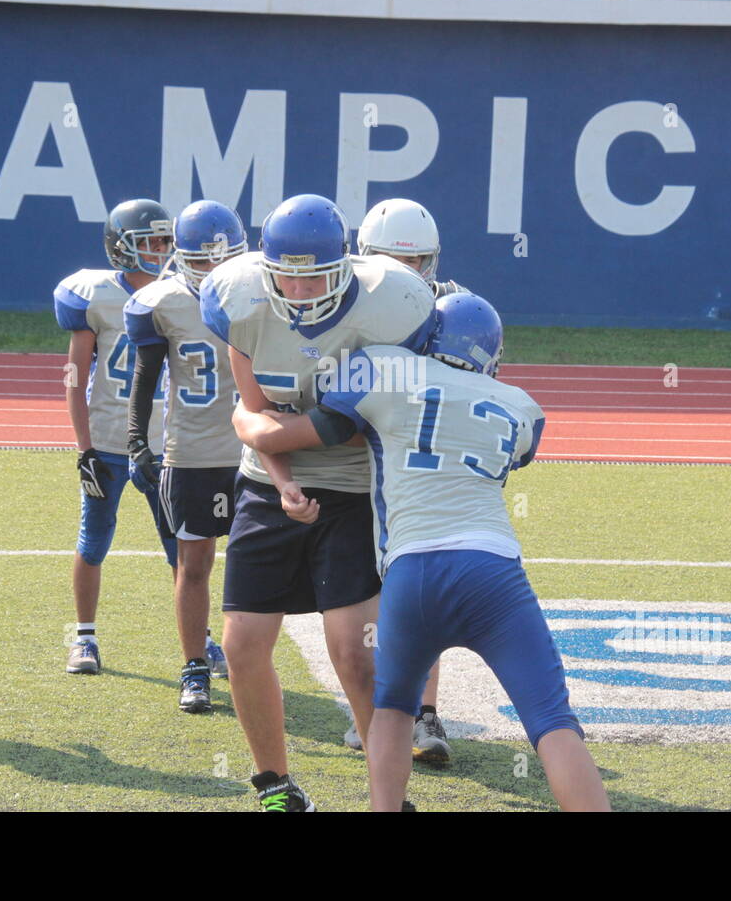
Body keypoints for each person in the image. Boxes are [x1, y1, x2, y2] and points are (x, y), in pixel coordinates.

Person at [233, 293, 611, 811]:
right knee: (552, 722)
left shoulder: (384, 367)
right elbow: (512, 453)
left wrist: (247, 419)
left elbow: (314, 431)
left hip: (412, 572)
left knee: (391, 708)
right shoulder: (521, 406)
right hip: (493, 573)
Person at [202, 193, 435, 811]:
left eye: (316, 275)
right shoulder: (240, 301)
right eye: (289, 275)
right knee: (242, 643)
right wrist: (279, 479)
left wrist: (266, 431)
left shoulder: (391, 305)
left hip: (355, 486)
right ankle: (274, 787)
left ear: (346, 265)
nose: (301, 290)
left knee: (353, 651)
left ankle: (388, 798)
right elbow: (253, 412)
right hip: (265, 485)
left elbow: (356, 424)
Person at [353, 197, 464, 763]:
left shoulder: (454, 310)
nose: (406, 273)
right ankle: (382, 707)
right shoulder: (348, 305)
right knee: (366, 593)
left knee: (417, 587)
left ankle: (425, 712)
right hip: (354, 463)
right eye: (392, 260)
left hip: (421, 466)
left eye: (417, 260)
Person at [124, 200, 247, 713]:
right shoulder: (162, 303)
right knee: (191, 564)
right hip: (192, 451)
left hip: (253, 455)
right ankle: (195, 667)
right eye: (201, 262)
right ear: (181, 256)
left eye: (222, 260)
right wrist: (137, 439)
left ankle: (246, 661)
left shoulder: (260, 294)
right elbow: (146, 377)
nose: (214, 272)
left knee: (252, 569)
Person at [53, 199, 181, 676]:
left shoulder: (179, 294)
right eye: (150, 242)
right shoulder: (97, 295)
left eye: (166, 241)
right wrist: (83, 447)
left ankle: (200, 640)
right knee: (93, 541)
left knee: (181, 548)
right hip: (107, 441)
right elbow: (73, 377)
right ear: (122, 248)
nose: (161, 250)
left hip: (166, 444)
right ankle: (84, 638)